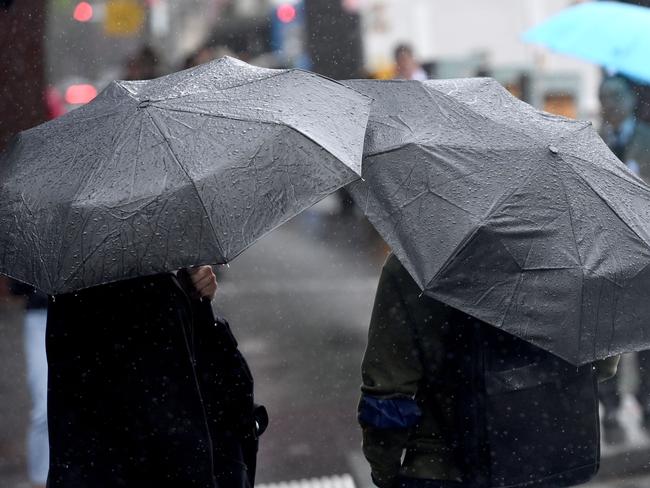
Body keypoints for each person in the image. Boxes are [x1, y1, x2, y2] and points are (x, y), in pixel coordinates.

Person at [359, 254, 619, 488]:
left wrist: (384, 471)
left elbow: (387, 394)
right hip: (537, 462)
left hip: (440, 467)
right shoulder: (572, 254)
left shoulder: (416, 260)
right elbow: (604, 367)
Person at [46, 265, 264, 488]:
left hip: (92, 467)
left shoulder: (67, 296)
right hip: (161, 464)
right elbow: (219, 392)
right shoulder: (160, 294)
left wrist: (198, 305)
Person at [597, 75, 650, 444]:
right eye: (605, 97)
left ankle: (647, 405)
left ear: (630, 102)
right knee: (607, 339)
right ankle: (611, 405)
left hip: (646, 251)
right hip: (609, 255)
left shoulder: (646, 139)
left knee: (646, 340)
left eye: (617, 96)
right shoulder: (594, 142)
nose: (611, 103)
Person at [10, 282, 49, 488]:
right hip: (40, 314)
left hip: (84, 314)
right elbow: (16, 287)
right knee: (44, 405)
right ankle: (39, 479)